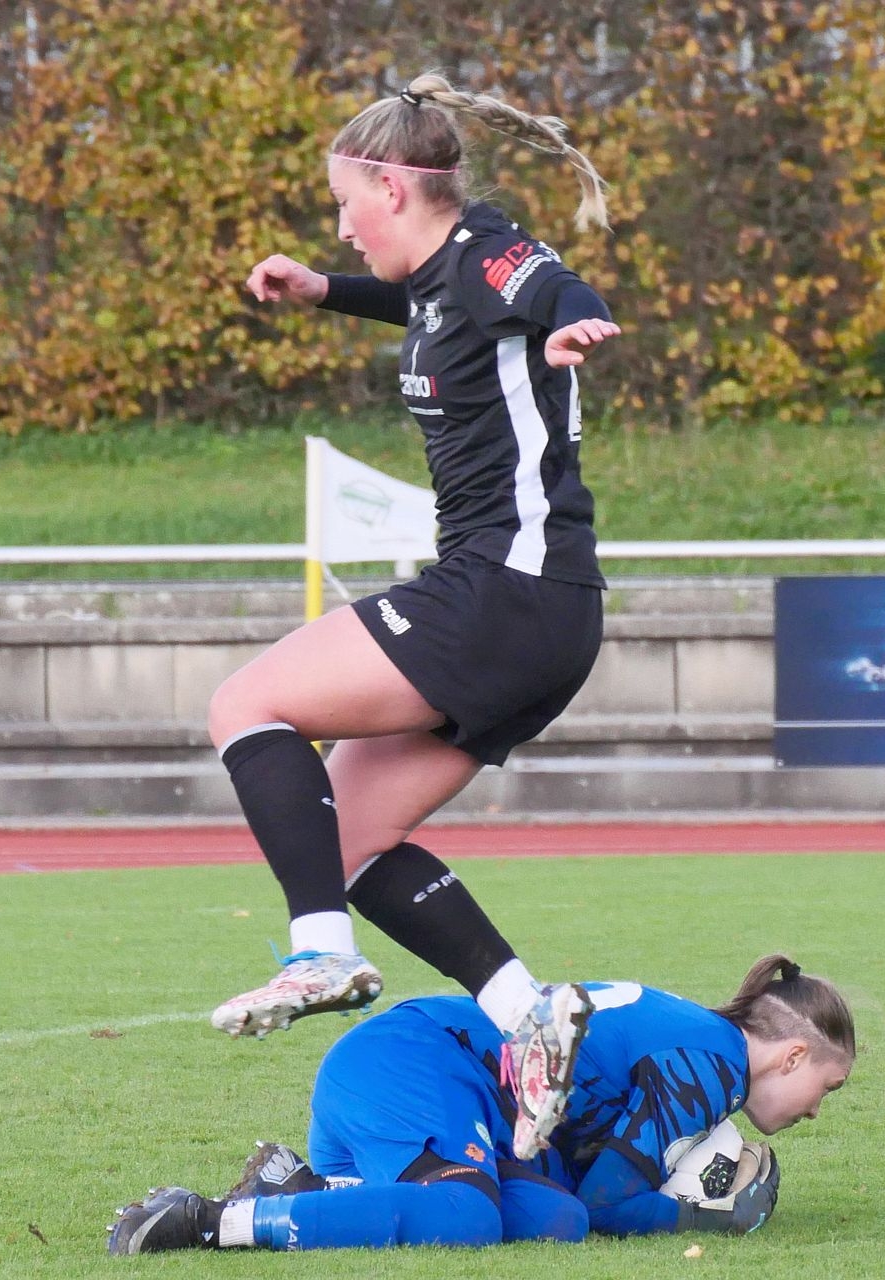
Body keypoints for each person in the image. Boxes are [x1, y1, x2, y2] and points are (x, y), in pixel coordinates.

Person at [206, 74, 621, 1142]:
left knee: (246, 704)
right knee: (349, 835)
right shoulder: (446, 278)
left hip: (504, 593)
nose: (343, 225)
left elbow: (546, 282)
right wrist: (324, 289)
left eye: (347, 204)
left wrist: (576, 323)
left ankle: (321, 952)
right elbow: (433, 301)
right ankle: (530, 1017)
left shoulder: (487, 250)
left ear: (393, 186)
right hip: (540, 610)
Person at [106, 955, 854, 1255]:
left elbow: (582, 1204)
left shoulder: (701, 1043)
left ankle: (308, 1188)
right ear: (792, 1056)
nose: (817, 1110)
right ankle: (209, 1221)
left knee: (554, 1221)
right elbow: (611, 1201)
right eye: (827, 1086)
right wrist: (701, 1217)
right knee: (467, 1216)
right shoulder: (715, 1063)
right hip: (418, 1059)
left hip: (435, 1086)